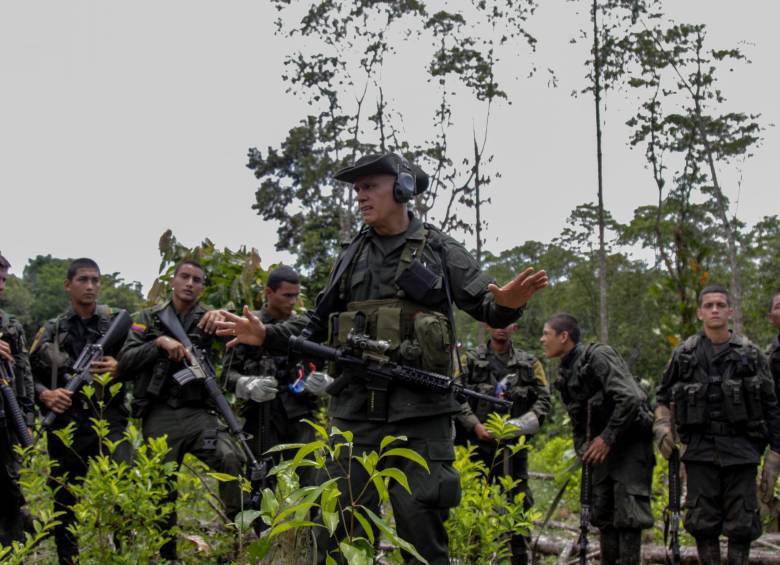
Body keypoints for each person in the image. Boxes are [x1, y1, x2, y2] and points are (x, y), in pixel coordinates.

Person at [216, 152, 548, 564]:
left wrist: (510, 304)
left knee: (422, 531)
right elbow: (312, 328)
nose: (360, 196)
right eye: (356, 189)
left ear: (402, 188)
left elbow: (486, 303)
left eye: (369, 186)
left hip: (422, 416)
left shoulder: (438, 248)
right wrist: (265, 334)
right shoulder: (351, 255)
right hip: (354, 413)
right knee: (340, 531)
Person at [116, 260, 245, 561]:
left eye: (197, 279)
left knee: (230, 457)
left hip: (199, 411)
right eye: (184, 277)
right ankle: (166, 554)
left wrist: (224, 317)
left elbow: (242, 342)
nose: (190, 283)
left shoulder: (209, 319)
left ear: (202, 287)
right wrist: (158, 343)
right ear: (172, 281)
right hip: (159, 413)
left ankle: (234, 541)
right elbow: (124, 361)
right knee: (162, 485)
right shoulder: (147, 318)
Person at [654, 284, 780, 564]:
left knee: (743, 524)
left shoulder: (752, 354)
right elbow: (662, 396)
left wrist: (775, 453)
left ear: (730, 311)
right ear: (700, 312)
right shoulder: (684, 354)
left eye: (720, 305)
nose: (714, 310)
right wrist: (662, 427)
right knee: (702, 522)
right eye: (709, 305)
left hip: (742, 451)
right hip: (699, 453)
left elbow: (771, 405)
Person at [29, 258, 130, 564]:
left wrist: (119, 367)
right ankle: (67, 558)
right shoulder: (52, 329)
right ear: (68, 285)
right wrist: (46, 395)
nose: (90, 286)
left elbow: (143, 356)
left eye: (95, 280)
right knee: (65, 496)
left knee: (124, 482)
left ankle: (122, 553)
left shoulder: (116, 322)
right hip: (67, 423)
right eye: (83, 280)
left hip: (108, 418)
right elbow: (26, 372)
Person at [541, 312, 654, 565]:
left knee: (629, 517)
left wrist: (606, 438)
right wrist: (584, 450)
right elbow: (578, 422)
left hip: (629, 447)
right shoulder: (566, 372)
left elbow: (631, 398)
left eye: (546, 334)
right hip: (602, 453)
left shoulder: (598, 356)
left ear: (564, 336)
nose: (542, 340)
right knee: (603, 516)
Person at [456, 323, 551, 565]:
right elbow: (455, 395)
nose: (501, 329)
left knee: (518, 503)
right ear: (487, 325)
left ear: (516, 327)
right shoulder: (469, 360)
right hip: (477, 447)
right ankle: (474, 556)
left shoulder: (530, 364)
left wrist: (517, 427)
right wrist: (475, 425)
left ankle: (520, 557)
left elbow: (544, 401)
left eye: (508, 324)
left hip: (514, 448)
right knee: (476, 505)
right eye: (497, 323)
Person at [221, 265, 324, 487]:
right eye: (287, 295)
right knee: (261, 483)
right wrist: (247, 384)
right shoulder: (247, 325)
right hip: (261, 416)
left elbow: (317, 364)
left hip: (300, 413)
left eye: (296, 295)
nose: (293, 301)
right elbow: (226, 375)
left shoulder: (303, 327)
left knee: (313, 481)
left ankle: (316, 523)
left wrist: (320, 381)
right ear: (269, 293)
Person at [0, 253, 35, 546]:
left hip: (5, 420)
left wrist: (28, 418)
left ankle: (12, 548)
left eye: (3, 280)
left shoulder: (10, 325)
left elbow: (23, 374)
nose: (0, 286)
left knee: (10, 487)